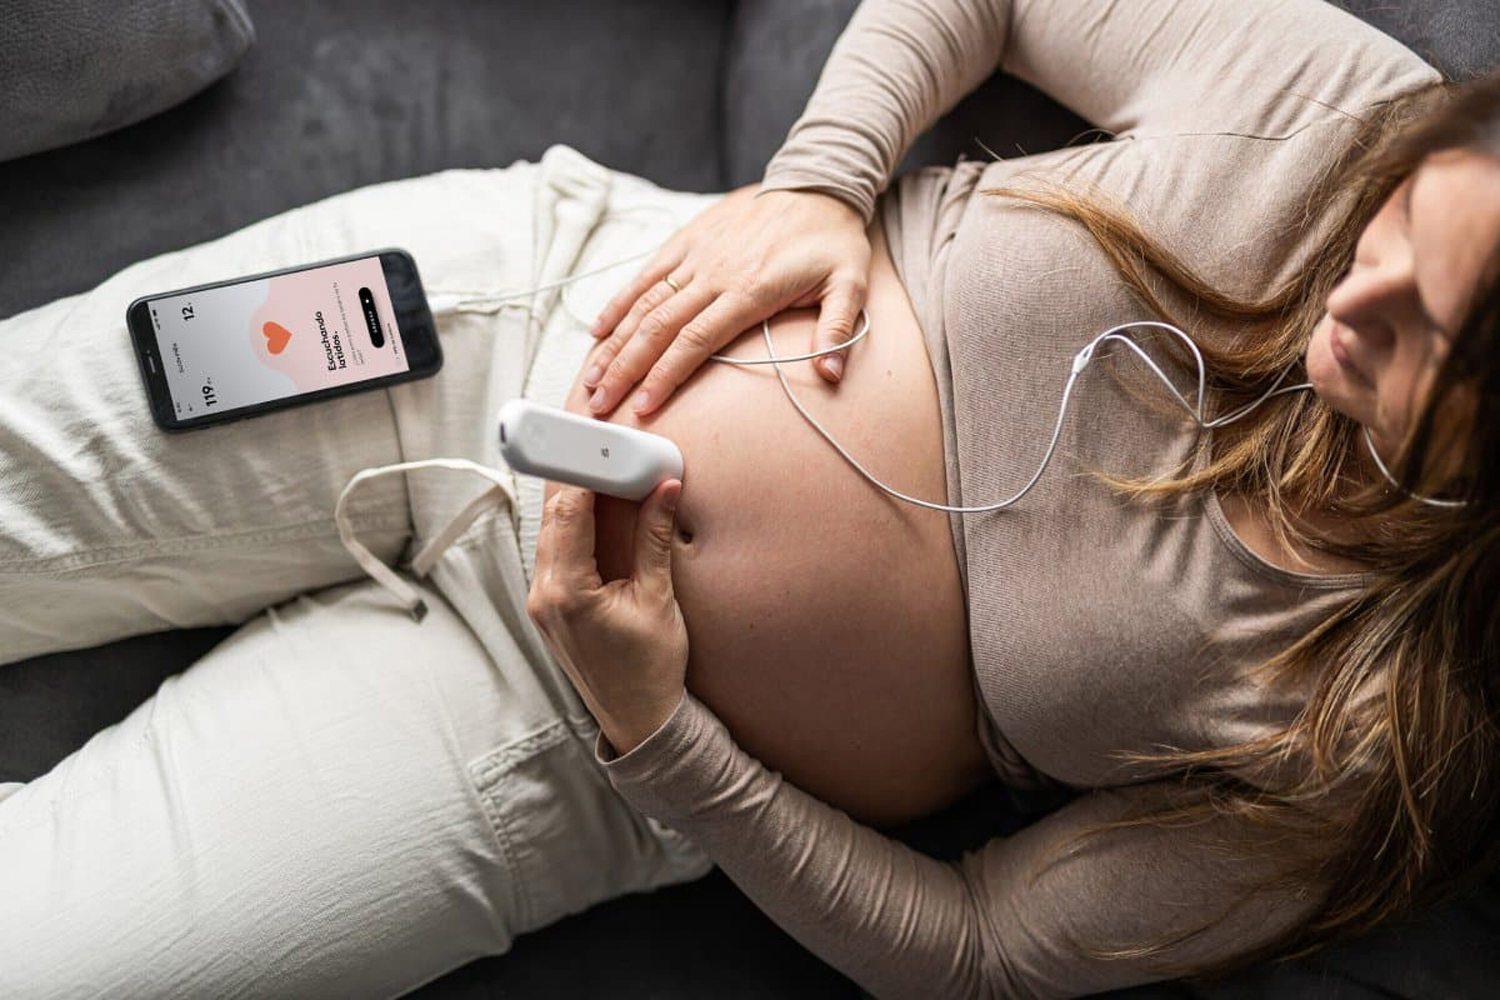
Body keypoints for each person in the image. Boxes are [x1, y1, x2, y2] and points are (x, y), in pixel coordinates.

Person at [0, 1, 1495, 997]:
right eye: (1390, 235)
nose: (1352, 300)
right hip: (490, 327)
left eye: (1426, 338)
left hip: (559, 753)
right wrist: (825, 184)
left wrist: (658, 736)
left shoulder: (1371, 738)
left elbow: (976, 953)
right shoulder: (1352, 116)